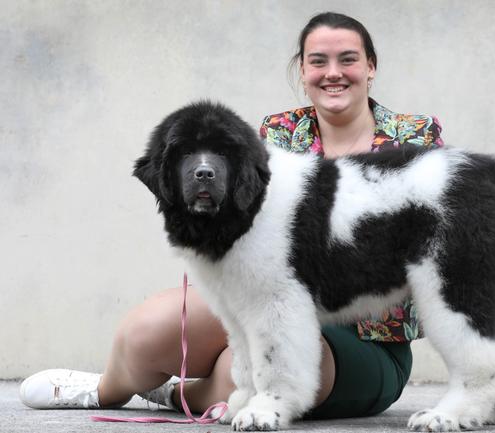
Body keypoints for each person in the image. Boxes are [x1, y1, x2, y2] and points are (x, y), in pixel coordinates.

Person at [19, 11, 443, 420]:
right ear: (302, 71)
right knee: (149, 329)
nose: (333, 72)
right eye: (318, 61)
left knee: (244, 377)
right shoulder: (277, 133)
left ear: (370, 66)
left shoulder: (415, 139)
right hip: (267, 300)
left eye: (348, 59)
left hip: (367, 340)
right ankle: (106, 389)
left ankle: (173, 394)